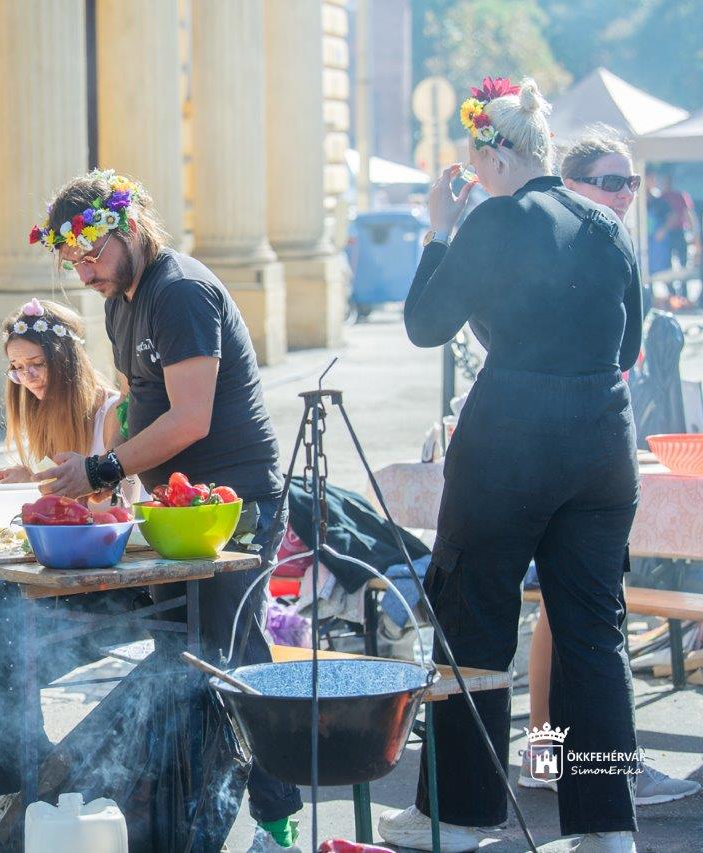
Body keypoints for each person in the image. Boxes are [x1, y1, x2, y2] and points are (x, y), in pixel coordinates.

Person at [385, 78, 642, 853]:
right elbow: (628, 350)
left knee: (474, 621)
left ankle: (462, 820)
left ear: (493, 156)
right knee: (595, 634)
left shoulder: (491, 221)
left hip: (511, 441)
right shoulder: (604, 223)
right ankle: (607, 831)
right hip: (602, 440)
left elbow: (426, 324)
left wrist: (438, 230)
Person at [31, 169, 302, 852]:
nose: (83, 271)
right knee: (188, 650)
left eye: (90, 253)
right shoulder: (121, 298)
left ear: (126, 229)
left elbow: (190, 416)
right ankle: (173, 814)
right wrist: (111, 481)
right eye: (71, 261)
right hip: (172, 509)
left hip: (234, 504)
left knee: (231, 654)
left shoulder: (178, 292)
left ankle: (277, 819)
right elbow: (132, 398)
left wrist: (102, 467)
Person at [505, 130, 700, 808]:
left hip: (565, 447)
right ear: (575, 184)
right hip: (575, 452)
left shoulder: (581, 245)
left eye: (632, 183)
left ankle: (546, 755)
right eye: (612, 181)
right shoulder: (579, 249)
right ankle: (607, 769)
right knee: (589, 611)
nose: (625, 195)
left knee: (566, 611)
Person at [0, 298, 148, 849]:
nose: (26, 378)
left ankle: (18, 777)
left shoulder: (110, 413)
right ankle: (24, 781)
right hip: (64, 578)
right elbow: (61, 499)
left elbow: (130, 507)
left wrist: (67, 496)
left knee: (1, 631)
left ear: (67, 361)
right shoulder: (43, 414)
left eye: (36, 365)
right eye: (17, 367)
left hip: (117, 586)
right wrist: (26, 480)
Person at [655, 168, 697, 304]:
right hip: (667, 235)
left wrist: (693, 233)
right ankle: (672, 295)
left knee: (683, 263)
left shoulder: (679, 196)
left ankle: (683, 295)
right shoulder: (659, 198)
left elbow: (687, 214)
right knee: (666, 263)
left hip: (679, 232)